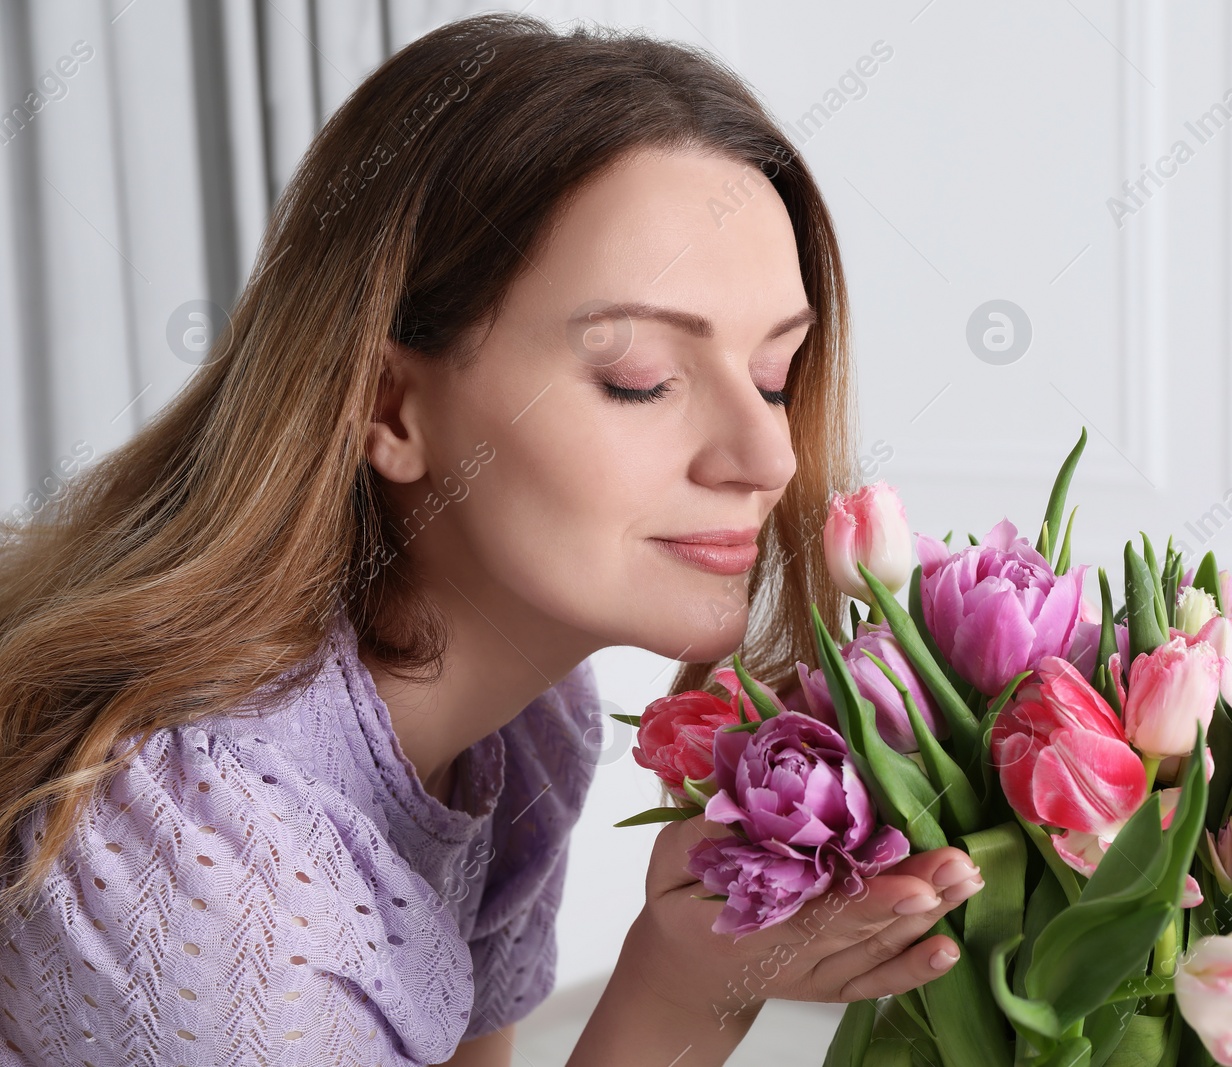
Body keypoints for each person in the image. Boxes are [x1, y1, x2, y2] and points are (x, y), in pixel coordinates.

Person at [0, 13, 982, 1067]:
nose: (768, 457)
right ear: (390, 407)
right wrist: (680, 1001)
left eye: (774, 377)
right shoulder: (223, 893)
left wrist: (687, 974)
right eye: (640, 377)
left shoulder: (523, 733)